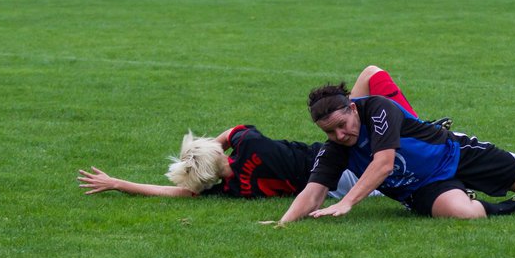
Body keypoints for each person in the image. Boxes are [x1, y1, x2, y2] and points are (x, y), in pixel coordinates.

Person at [77, 67, 416, 201]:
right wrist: (216, 143)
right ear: (218, 151)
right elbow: (232, 131)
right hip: (337, 166)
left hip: (332, 181)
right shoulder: (248, 142)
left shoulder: (230, 188)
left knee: (386, 142)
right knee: (374, 75)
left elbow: (176, 192)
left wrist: (118, 183)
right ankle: (419, 131)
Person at [272, 83, 515, 224]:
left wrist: (348, 202)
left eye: (342, 125)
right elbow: (313, 192)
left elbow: (384, 164)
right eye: (329, 132)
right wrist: (283, 223)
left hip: (454, 153)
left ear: (352, 108)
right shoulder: (337, 147)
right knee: (465, 215)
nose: (339, 135)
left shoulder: (377, 109)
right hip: (423, 188)